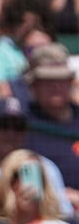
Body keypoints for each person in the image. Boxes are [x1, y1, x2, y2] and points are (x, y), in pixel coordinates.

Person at [20, 41, 79, 191]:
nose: (56, 86)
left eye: (61, 79)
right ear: (33, 85)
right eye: (48, 80)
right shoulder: (20, 125)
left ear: (71, 82)